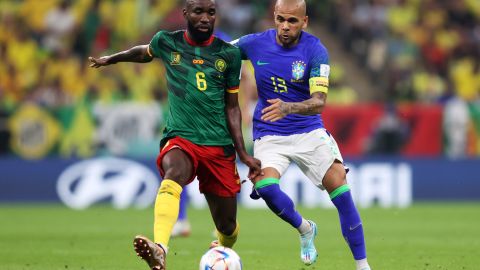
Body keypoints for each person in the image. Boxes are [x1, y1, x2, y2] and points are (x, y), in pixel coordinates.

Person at [89, 0, 262, 269]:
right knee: (173, 173)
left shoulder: (228, 54)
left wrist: (243, 154)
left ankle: (221, 251)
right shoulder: (167, 42)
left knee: (227, 226)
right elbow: (143, 52)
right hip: (182, 135)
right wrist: (113, 58)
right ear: (185, 14)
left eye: (211, 13)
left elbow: (232, 108)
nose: (205, 18)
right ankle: (160, 248)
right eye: (199, 12)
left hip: (218, 144)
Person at [232, 0, 372, 269]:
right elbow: (219, 51)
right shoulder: (253, 43)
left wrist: (289, 107)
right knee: (265, 188)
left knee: (340, 185)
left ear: (304, 22)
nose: (285, 26)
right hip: (269, 133)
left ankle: (363, 265)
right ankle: (305, 228)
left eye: (292, 21)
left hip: (308, 130)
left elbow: (319, 101)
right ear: (274, 17)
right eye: (281, 19)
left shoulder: (315, 50)